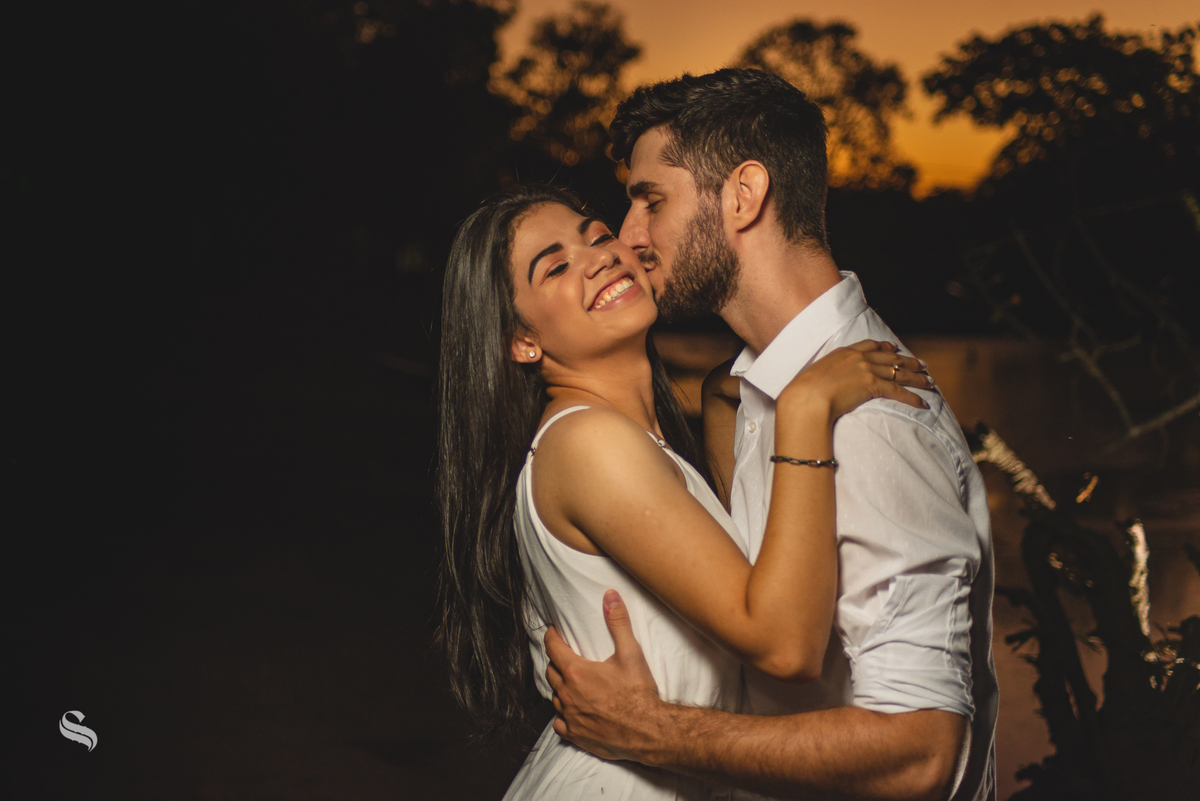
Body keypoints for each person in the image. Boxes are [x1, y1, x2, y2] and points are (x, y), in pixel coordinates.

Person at [542, 69, 999, 801]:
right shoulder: (760, 388)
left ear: (743, 195)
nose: (629, 238)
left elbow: (920, 751)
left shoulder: (872, 418)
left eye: (650, 200)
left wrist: (651, 730)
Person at [436, 183, 933, 800]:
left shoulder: (633, 441)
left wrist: (730, 394)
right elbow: (784, 645)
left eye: (596, 235)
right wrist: (804, 406)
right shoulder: (588, 444)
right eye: (557, 266)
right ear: (521, 341)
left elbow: (737, 561)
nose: (599, 256)